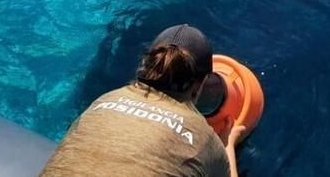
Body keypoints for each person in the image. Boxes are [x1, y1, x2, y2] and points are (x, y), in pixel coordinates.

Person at [41, 25, 245, 177]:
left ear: (147, 64)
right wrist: (227, 144)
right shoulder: (204, 138)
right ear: (201, 84)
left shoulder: (105, 100)